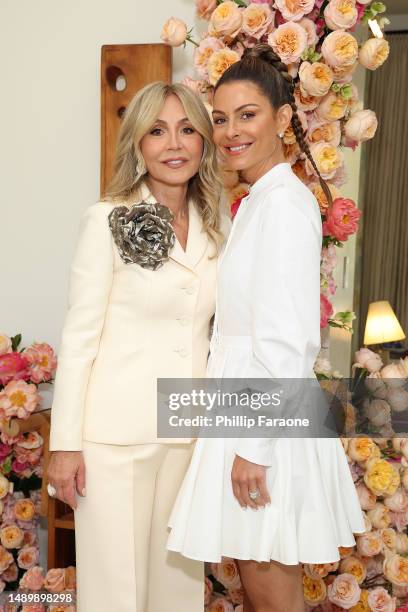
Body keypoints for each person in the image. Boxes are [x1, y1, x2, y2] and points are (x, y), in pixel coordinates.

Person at [166, 45, 366, 611]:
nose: (231, 131)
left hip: (264, 420)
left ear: (282, 119)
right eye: (222, 119)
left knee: (271, 593)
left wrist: (254, 446)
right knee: (258, 588)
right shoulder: (258, 201)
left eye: (248, 115)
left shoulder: (284, 205)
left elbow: (285, 339)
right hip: (250, 405)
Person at [47, 81, 229, 612]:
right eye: (157, 130)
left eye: (187, 129)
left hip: (187, 433)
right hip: (112, 440)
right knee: (115, 595)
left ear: (203, 142)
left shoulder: (216, 227)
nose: (174, 144)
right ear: (139, 144)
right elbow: (79, 336)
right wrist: (65, 445)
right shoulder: (107, 218)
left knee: (177, 592)